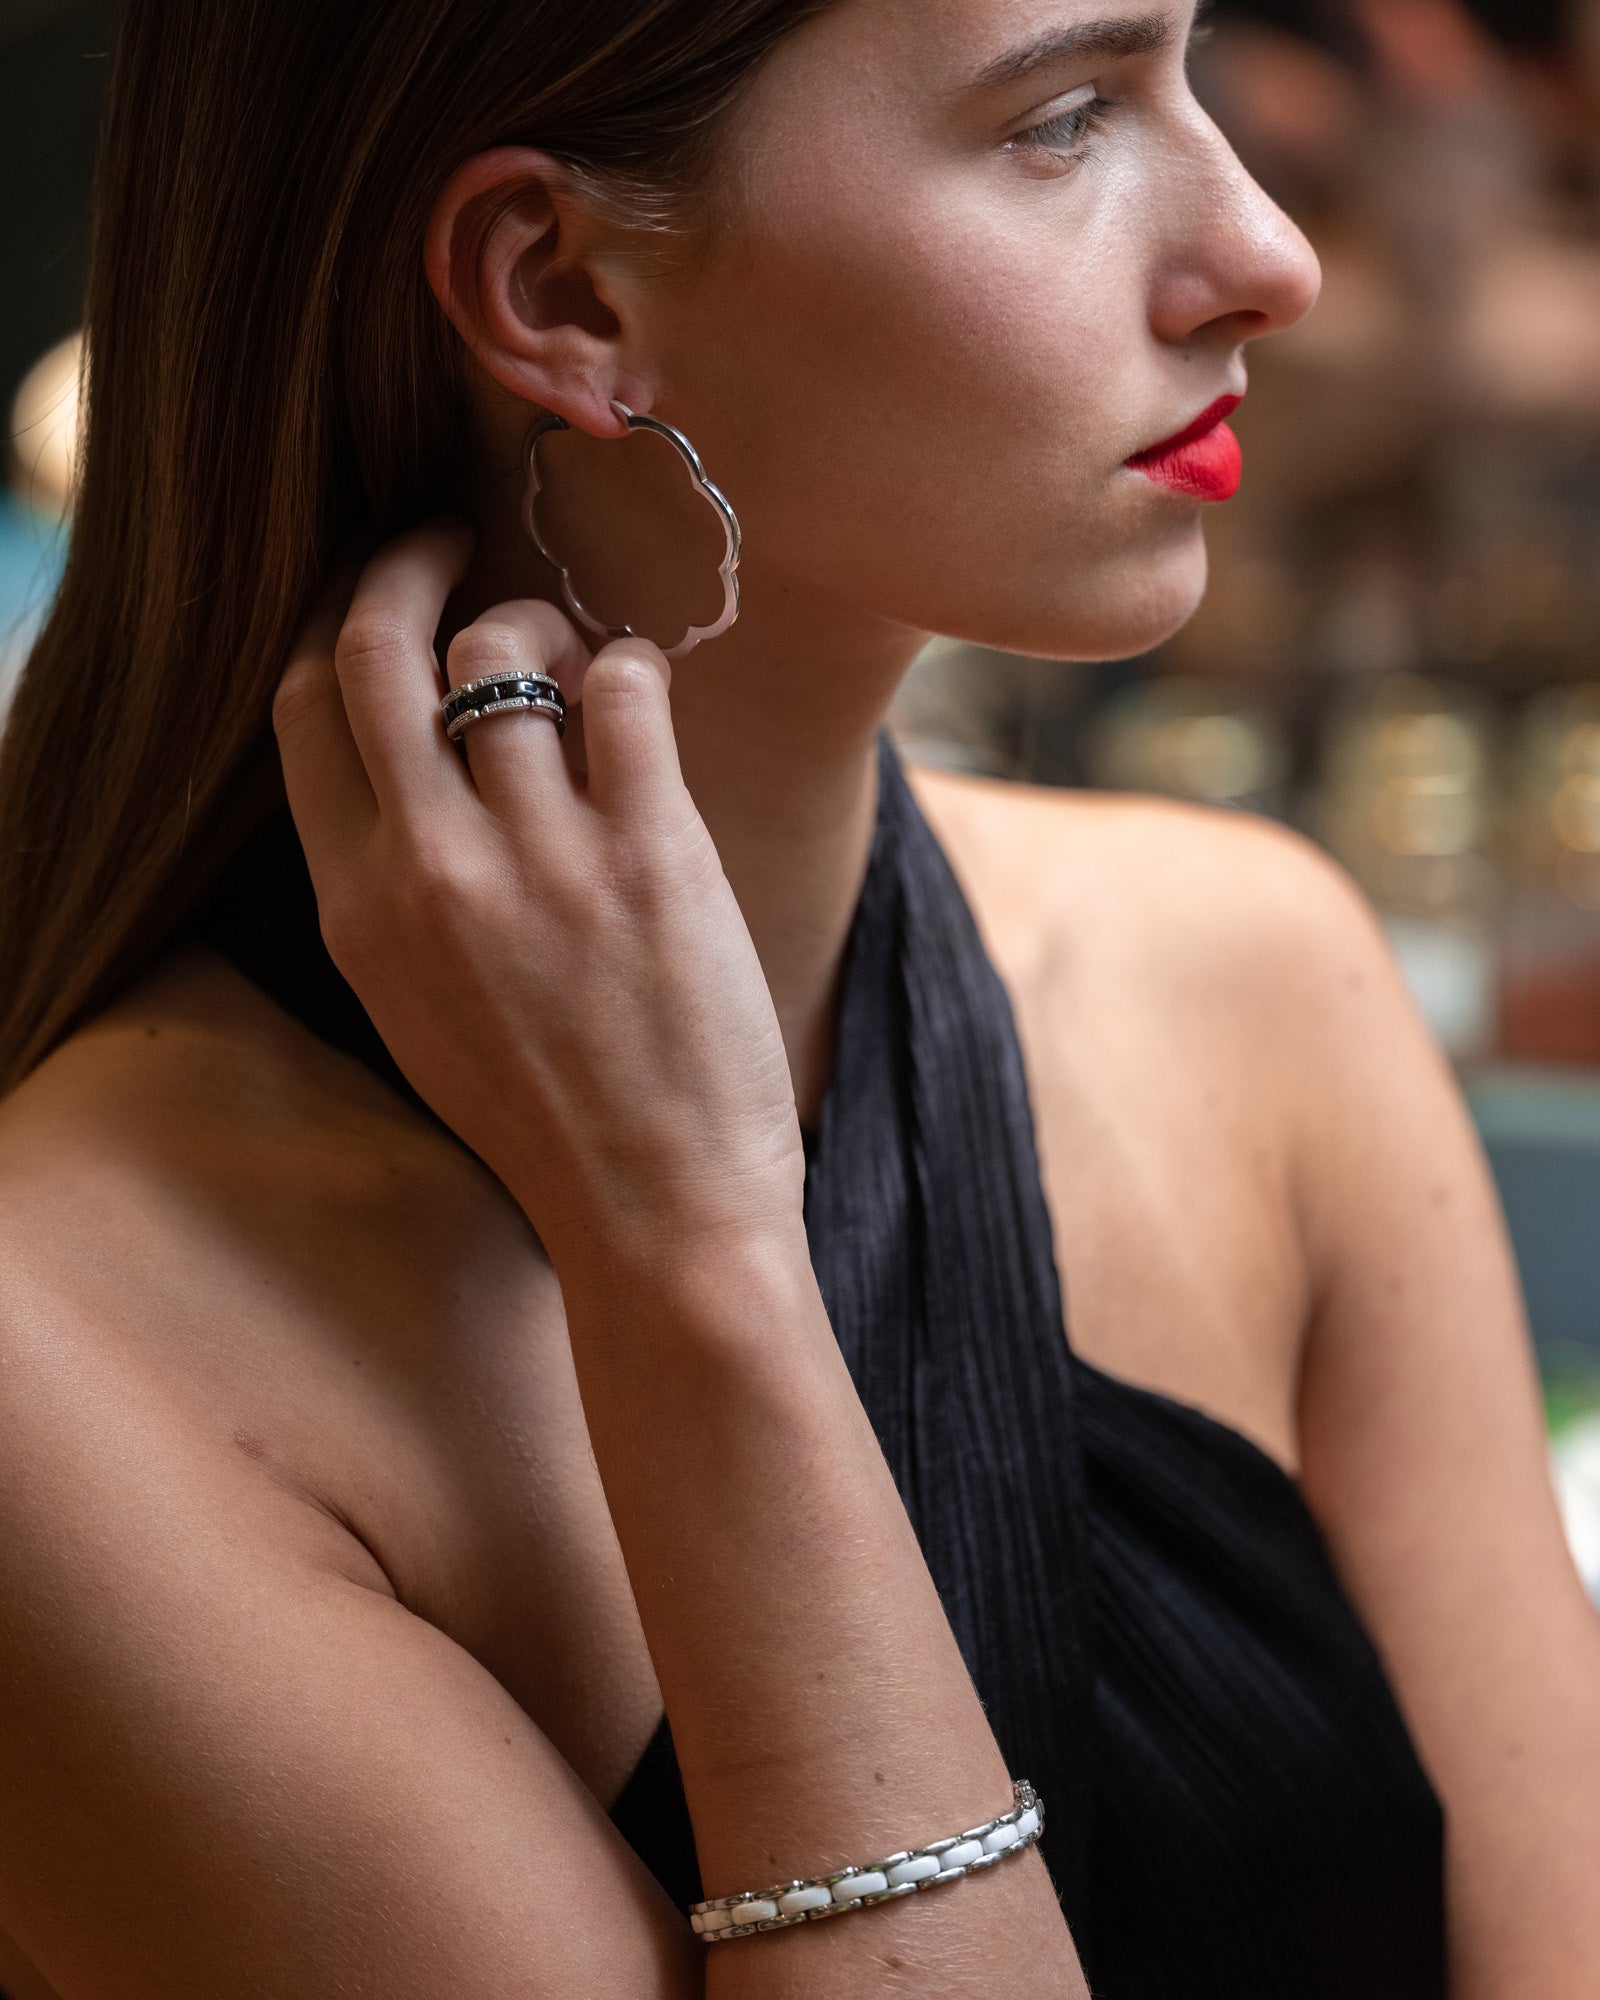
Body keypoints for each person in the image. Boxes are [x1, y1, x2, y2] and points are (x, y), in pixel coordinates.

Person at [0, 1, 1595, 1994]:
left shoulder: (1256, 979)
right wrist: (694, 1256)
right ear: (562, 291)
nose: (1266, 255)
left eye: (1189, 75)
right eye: (1061, 119)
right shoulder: (65, 1364)